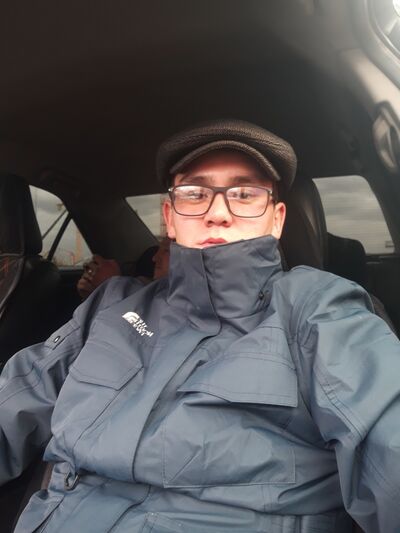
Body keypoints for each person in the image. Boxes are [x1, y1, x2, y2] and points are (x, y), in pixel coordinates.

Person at [0, 119, 399, 533]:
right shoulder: (113, 305)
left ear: (277, 221)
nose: (218, 213)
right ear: (170, 218)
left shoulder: (319, 310)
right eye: (195, 194)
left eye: (245, 194)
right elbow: (17, 397)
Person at [76, 238, 170, 299]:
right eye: (158, 251)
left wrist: (111, 286)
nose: (154, 258)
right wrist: (91, 297)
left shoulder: (171, 306)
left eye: (166, 251)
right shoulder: (142, 284)